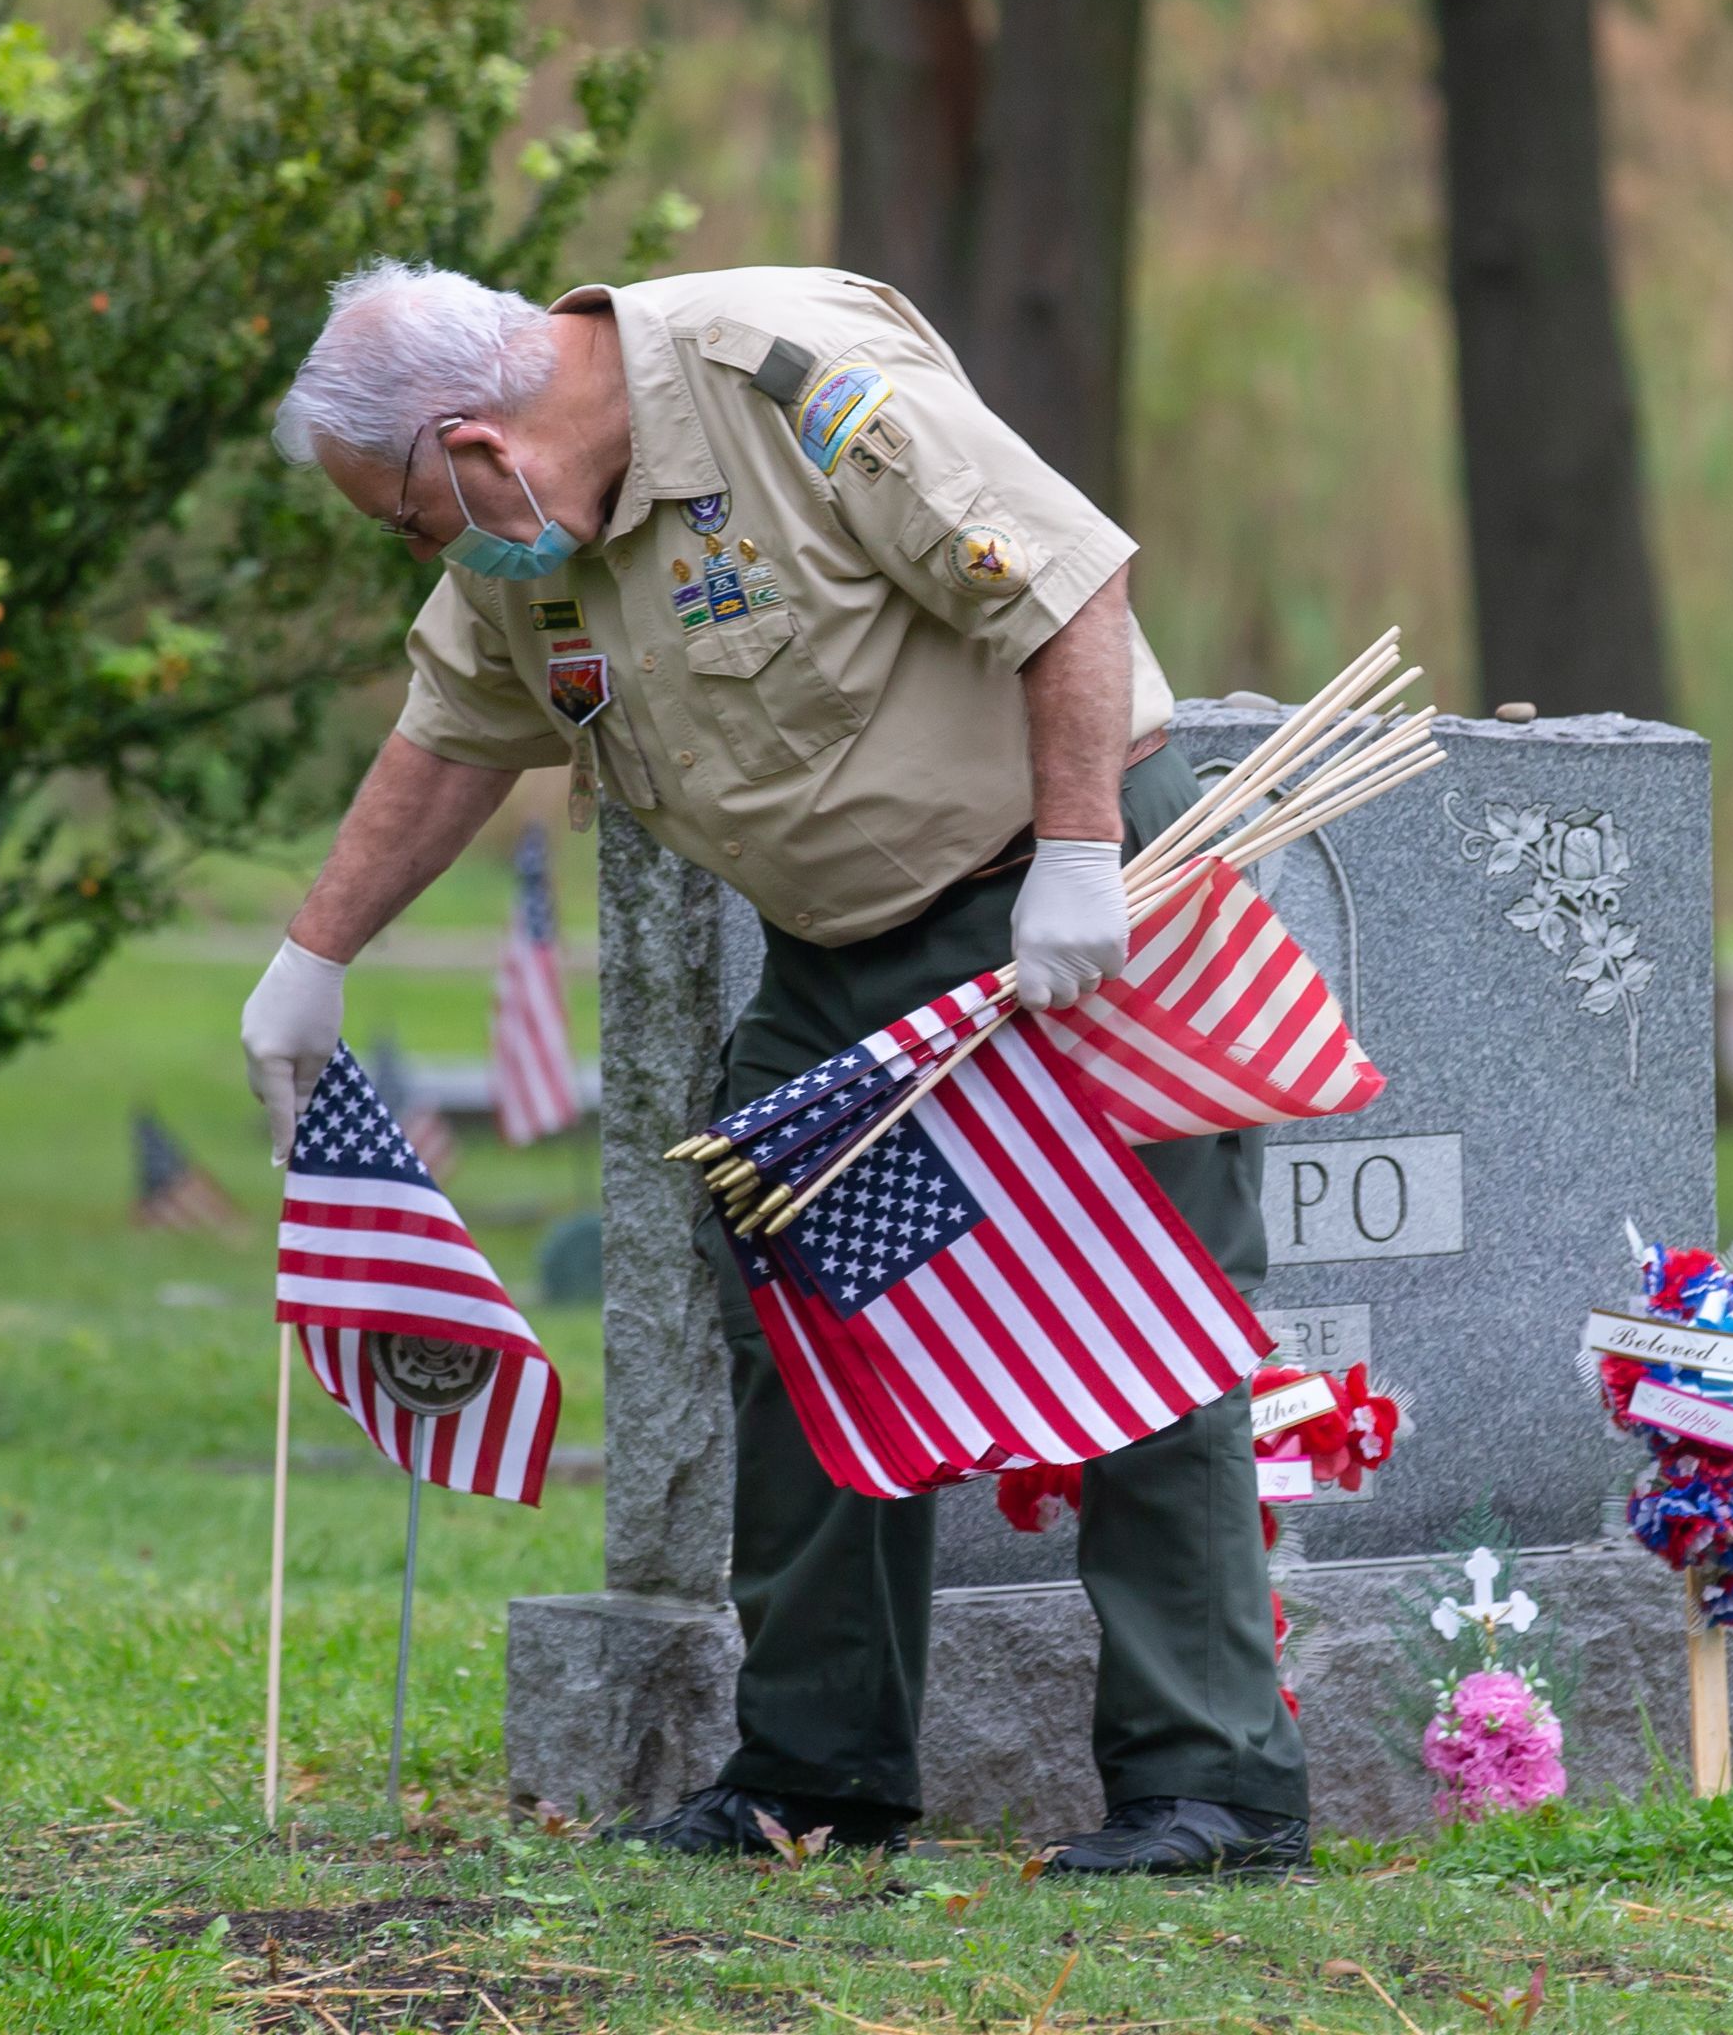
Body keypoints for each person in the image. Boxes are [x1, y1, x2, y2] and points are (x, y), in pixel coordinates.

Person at [242, 261, 1307, 1875]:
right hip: (840, 953)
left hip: (1061, 886)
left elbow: (1071, 580)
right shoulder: (525, 531)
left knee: (1143, 1319)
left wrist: (1082, 855)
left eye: (404, 518)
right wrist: (314, 955)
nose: (422, 550)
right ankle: (821, 1771)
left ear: (470, 443)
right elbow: (453, 728)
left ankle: (1211, 1786)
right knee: (801, 1316)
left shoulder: (783, 386)